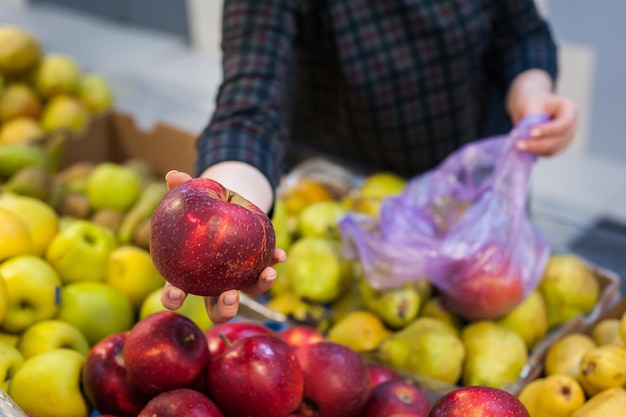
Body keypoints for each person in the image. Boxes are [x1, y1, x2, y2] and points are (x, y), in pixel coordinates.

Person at [161, 0, 579, 324]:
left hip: (472, 197)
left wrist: (531, 90)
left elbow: (519, 33)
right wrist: (222, 217)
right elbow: (251, 107)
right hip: (350, 204)